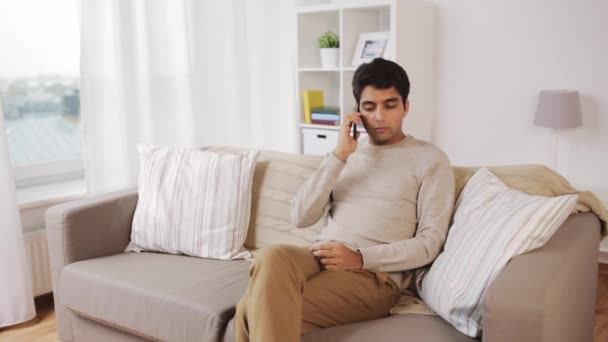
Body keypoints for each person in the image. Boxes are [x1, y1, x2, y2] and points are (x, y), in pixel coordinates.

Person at [234, 58, 455, 342]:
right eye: (369, 107)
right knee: (272, 255)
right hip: (317, 257)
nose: (379, 116)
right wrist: (339, 156)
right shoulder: (345, 155)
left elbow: (429, 243)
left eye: (390, 105)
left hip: (372, 277)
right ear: (357, 112)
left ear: (405, 107)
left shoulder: (430, 159)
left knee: (251, 309)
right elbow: (300, 216)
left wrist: (360, 258)